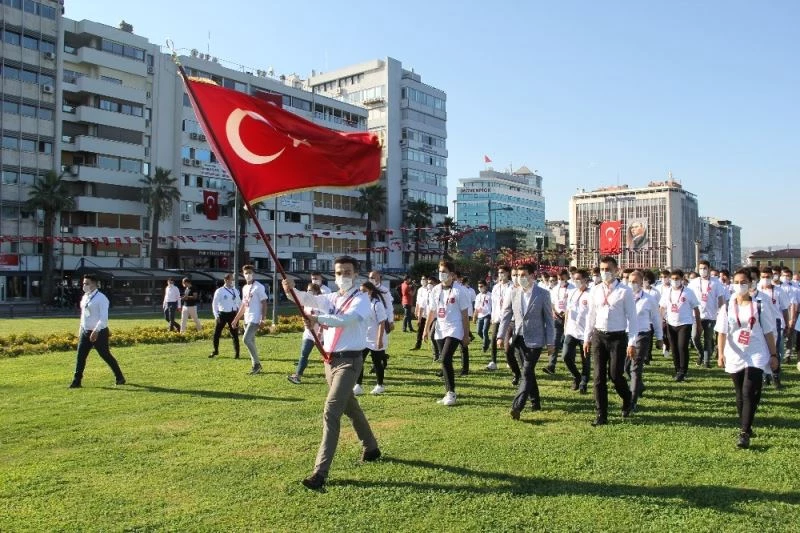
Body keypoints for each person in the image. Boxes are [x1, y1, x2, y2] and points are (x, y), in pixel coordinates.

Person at [282, 256, 381, 491]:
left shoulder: (362, 300)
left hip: (349, 362)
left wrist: (317, 318)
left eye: (347, 272)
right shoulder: (332, 298)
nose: (342, 276)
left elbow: (346, 320)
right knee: (351, 407)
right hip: (330, 362)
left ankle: (320, 472)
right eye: (338, 272)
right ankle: (372, 447)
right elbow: (308, 299)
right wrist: (290, 289)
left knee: (331, 411)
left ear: (356, 274)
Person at [715, 269, 779, 449]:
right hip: (735, 353)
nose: (740, 285)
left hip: (756, 352)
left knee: (748, 391)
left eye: (743, 282)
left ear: (750, 284)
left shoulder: (760, 305)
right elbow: (721, 333)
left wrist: (774, 355)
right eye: (736, 282)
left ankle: (744, 432)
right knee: (740, 393)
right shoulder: (727, 306)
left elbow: (768, 332)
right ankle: (747, 424)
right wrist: (720, 354)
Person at [583, 256, 638, 426]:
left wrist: (632, 342)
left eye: (608, 269)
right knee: (598, 378)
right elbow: (591, 315)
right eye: (602, 270)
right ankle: (601, 415)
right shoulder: (595, 290)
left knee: (615, 375)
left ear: (616, 270)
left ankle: (627, 398)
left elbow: (632, 318)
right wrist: (587, 338)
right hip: (599, 336)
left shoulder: (624, 291)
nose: (605, 273)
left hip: (618, 338)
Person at [498, 263, 555, 419]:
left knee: (526, 372)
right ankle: (535, 401)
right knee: (527, 373)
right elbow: (506, 314)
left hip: (536, 340)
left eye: (524, 275)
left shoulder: (542, 294)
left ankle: (517, 406)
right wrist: (500, 335)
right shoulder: (514, 292)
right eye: (518, 275)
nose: (520, 278)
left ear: (532, 276)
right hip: (519, 339)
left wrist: (551, 343)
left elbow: (549, 320)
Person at [422, 260, 470, 406]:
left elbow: (464, 314)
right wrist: (426, 329)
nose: (441, 274)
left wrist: (466, 335)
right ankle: (448, 392)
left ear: (452, 275)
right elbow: (432, 311)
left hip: (455, 329)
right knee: (445, 362)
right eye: (440, 271)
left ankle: (451, 393)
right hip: (440, 329)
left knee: (444, 358)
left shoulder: (459, 291)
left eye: (444, 272)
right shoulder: (435, 290)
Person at [69, 274, 126, 388]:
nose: (84, 285)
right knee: (80, 356)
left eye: (87, 283)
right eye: (84, 283)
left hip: (99, 332)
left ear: (94, 284)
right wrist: (81, 330)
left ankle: (119, 377)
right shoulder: (85, 296)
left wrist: (96, 330)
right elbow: (83, 315)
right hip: (86, 331)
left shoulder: (101, 298)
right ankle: (76, 381)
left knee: (105, 355)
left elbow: (103, 318)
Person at [626, 270, 663, 411]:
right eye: (630, 281)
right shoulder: (625, 297)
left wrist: (659, 337)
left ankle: (632, 401)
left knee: (635, 368)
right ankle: (639, 386)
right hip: (627, 335)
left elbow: (656, 319)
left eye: (635, 281)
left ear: (642, 282)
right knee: (625, 368)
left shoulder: (649, 299)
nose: (632, 284)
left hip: (642, 335)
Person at [660, 269, 701, 382]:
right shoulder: (667, 292)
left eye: (677, 279)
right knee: (674, 348)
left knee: (682, 347)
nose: (674, 281)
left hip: (685, 323)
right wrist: (660, 321)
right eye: (672, 279)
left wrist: (698, 324)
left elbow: (696, 308)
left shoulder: (688, 292)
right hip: (671, 323)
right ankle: (677, 369)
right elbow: (662, 307)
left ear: (682, 279)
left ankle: (683, 371)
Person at [689, 260, 726, 368]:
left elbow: (720, 298)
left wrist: (721, 311)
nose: (703, 270)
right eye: (700, 268)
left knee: (708, 339)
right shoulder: (694, 282)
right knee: (695, 337)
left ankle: (706, 361)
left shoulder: (716, 282)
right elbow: (689, 297)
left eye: (705, 268)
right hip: (697, 315)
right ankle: (701, 353)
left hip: (711, 315)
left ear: (709, 269)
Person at [231, 265, 268, 375]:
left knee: (246, 340)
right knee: (251, 342)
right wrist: (236, 319)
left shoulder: (259, 287)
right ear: (243, 274)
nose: (248, 275)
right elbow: (244, 305)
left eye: (250, 272)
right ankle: (255, 366)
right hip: (247, 318)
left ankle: (257, 364)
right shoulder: (244, 288)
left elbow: (264, 303)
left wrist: (263, 318)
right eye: (246, 273)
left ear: (254, 273)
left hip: (255, 318)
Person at [354, 281, 388, 395]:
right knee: (359, 361)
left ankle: (380, 385)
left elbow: (381, 323)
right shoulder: (360, 304)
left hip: (376, 338)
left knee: (377, 362)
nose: (362, 293)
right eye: (360, 291)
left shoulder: (377, 304)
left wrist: (379, 340)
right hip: (363, 338)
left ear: (371, 291)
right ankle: (358, 385)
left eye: (365, 291)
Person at [562, 269, 591, 394]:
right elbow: (568, 310)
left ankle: (584, 382)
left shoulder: (591, 294)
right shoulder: (572, 293)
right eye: (575, 279)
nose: (576, 281)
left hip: (585, 333)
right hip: (571, 331)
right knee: (566, 356)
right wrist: (565, 326)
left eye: (579, 279)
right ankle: (576, 376)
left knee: (585, 359)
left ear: (585, 280)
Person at [288, 283, 323, 384]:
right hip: (309, 334)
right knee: (304, 354)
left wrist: (320, 332)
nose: (308, 292)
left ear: (316, 292)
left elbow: (323, 319)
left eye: (310, 291)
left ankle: (334, 373)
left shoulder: (320, 303)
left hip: (321, 336)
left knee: (327, 357)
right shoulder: (306, 304)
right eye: (307, 290)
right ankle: (297, 376)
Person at [543, 269, 572, 375]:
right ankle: (551, 365)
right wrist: (554, 311)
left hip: (570, 319)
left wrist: (567, 313)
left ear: (567, 277)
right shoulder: (555, 289)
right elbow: (551, 303)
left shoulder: (572, 288)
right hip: (557, 318)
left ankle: (571, 366)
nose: (560, 281)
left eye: (562, 279)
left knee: (568, 343)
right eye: (559, 279)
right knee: (554, 342)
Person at [487, 265, 513, 371]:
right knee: (494, 339)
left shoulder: (512, 286)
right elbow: (493, 303)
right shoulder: (495, 287)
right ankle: (493, 361)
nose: (500, 274)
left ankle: (509, 361)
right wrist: (492, 316)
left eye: (502, 272)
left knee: (507, 341)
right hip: (497, 317)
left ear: (508, 273)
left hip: (508, 318)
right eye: (499, 272)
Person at [210, 274, 241, 359]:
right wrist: (216, 315)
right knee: (217, 333)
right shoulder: (219, 291)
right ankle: (215, 350)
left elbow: (239, 302)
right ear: (226, 280)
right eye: (232, 279)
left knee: (234, 334)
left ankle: (237, 353)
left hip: (233, 314)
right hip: (222, 314)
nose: (233, 281)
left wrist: (240, 314)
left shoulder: (235, 290)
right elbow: (214, 304)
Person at [411, 275, 432, 351]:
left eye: (424, 279)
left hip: (430, 313)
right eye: (422, 279)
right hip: (422, 313)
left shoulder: (430, 289)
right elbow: (418, 301)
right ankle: (418, 344)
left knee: (432, 330)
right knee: (420, 329)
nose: (423, 280)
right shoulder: (420, 290)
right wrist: (416, 309)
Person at [473, 280, 492, 353]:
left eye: (481, 286)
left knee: (485, 330)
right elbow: (476, 307)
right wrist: (475, 316)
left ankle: (485, 346)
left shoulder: (490, 295)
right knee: (478, 332)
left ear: (485, 286)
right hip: (480, 315)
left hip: (487, 315)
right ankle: (487, 341)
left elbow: (493, 306)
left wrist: (492, 316)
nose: (480, 288)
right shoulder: (478, 296)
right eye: (478, 286)